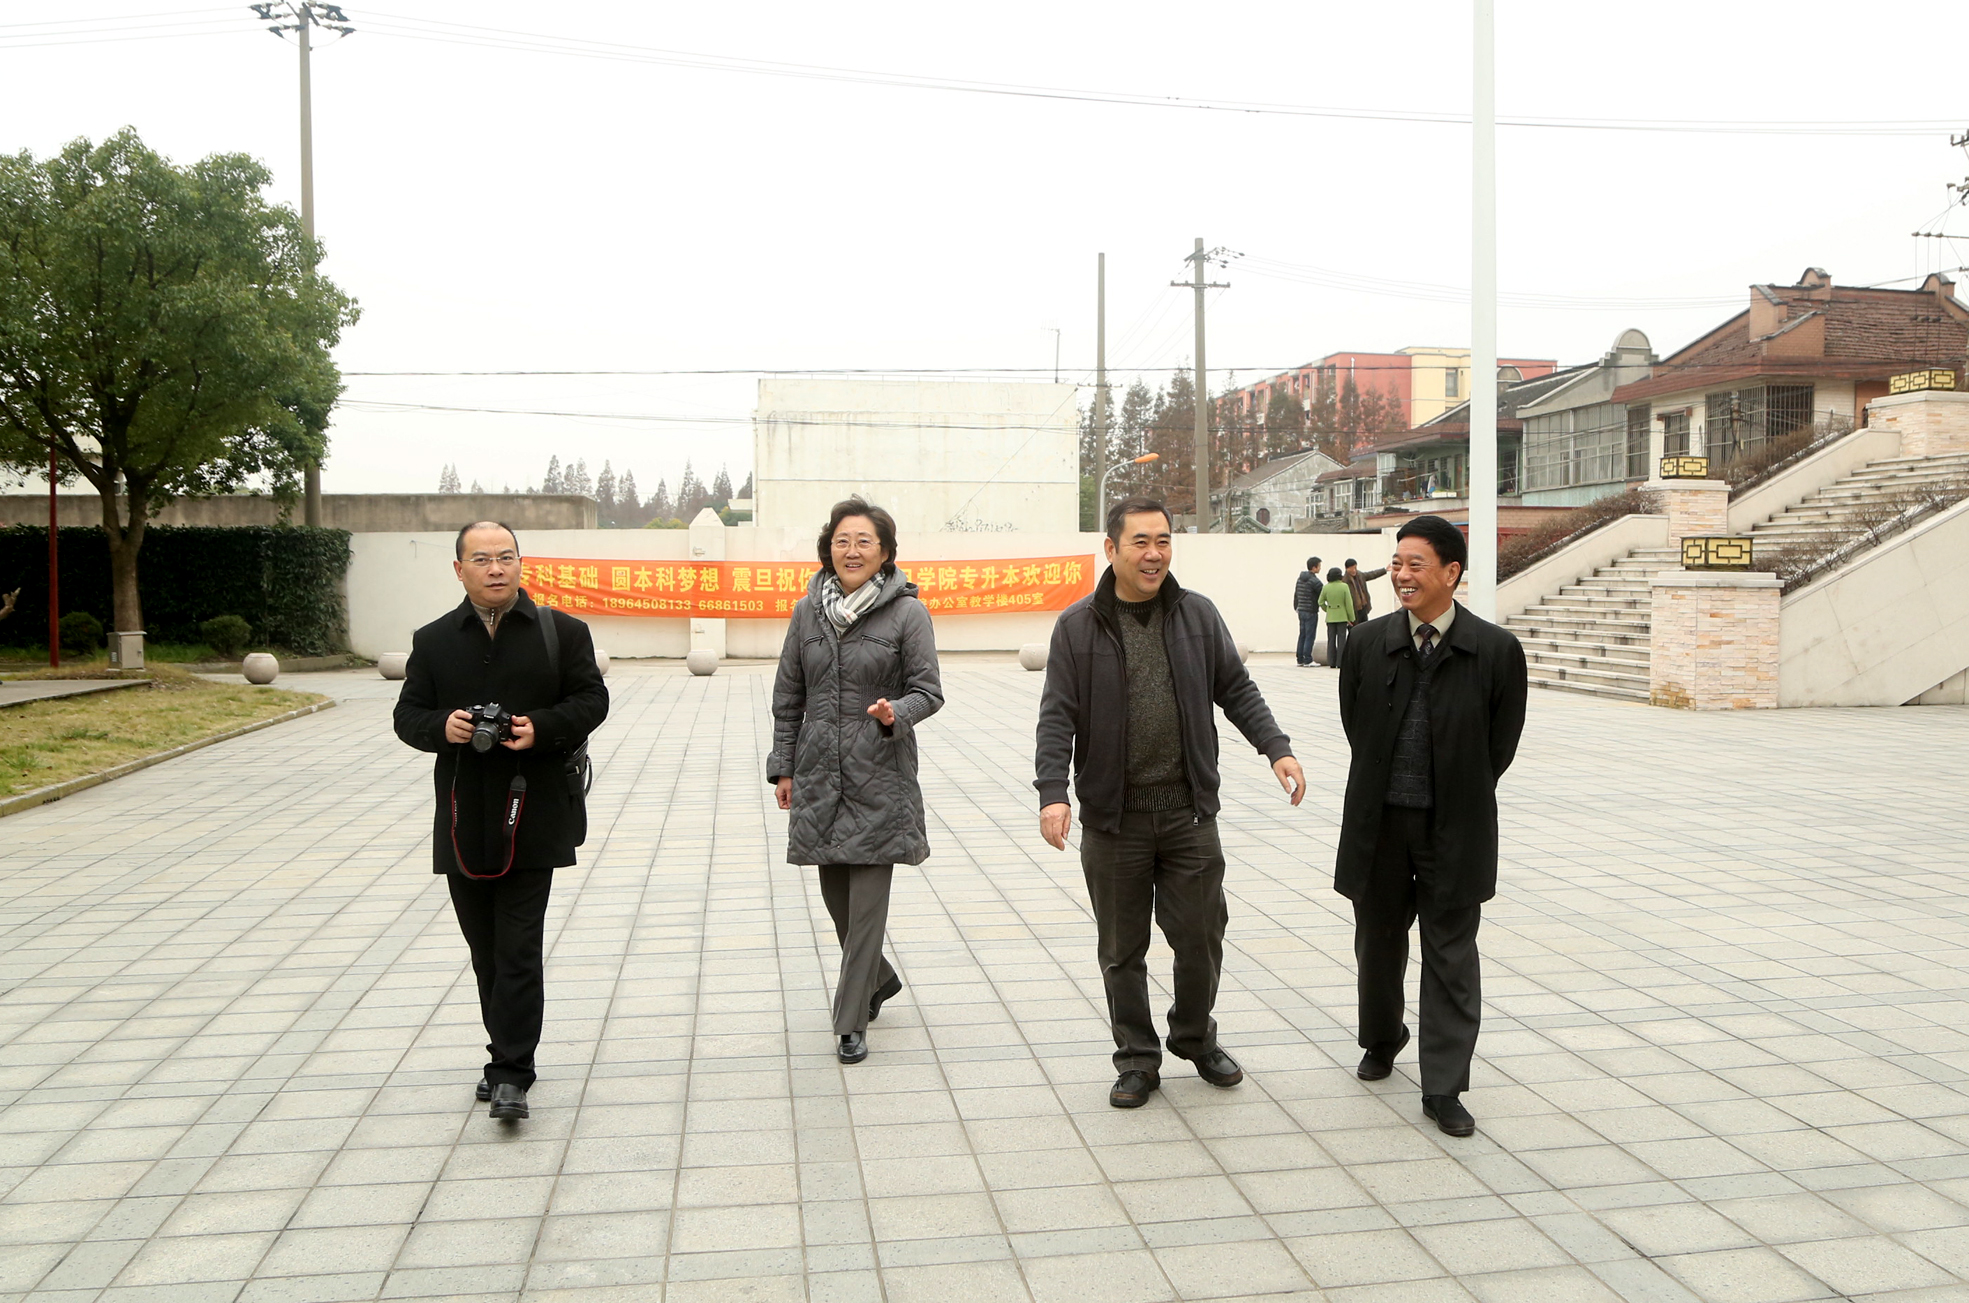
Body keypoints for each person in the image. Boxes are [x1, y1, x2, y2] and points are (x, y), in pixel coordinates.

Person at [1036, 497, 1306, 1109]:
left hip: (1189, 814)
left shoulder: (1197, 615)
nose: (1154, 553)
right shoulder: (1077, 627)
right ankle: (1136, 1057)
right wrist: (1053, 793)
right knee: (1121, 949)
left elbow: (1236, 688)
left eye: (1162, 541)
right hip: (1114, 822)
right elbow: (1057, 717)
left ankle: (1193, 1036)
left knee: (1202, 935)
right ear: (1111, 549)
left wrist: (1276, 748)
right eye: (1140, 542)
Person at [393, 522, 609, 1121]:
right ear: (459, 568)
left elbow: (592, 700)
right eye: (482, 559)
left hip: (533, 813)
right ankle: (505, 1052)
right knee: (484, 950)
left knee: (517, 947)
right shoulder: (434, 640)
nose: (496, 568)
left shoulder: (562, 632)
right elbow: (407, 716)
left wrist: (542, 727)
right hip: (463, 817)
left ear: (520, 564)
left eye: (506, 557)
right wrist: (443, 728)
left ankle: (512, 1072)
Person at [1334, 515, 1527, 1139]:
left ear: (1451, 573)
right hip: (1380, 823)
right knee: (1378, 942)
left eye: (1415, 564)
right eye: (1396, 564)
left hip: (1456, 827)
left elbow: (1500, 745)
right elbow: (1356, 726)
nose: (1401, 575)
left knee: (1451, 954)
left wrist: (1454, 785)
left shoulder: (1495, 650)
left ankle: (1444, 1085)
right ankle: (1382, 1038)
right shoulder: (1366, 643)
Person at [770, 498, 943, 1066]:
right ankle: (879, 977)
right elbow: (789, 696)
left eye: (864, 541)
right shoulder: (806, 614)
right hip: (819, 772)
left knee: (867, 906)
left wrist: (896, 712)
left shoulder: (907, 614)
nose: (852, 551)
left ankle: (849, 1022)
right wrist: (784, 766)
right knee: (837, 899)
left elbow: (928, 691)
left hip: (880, 772)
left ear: (885, 552)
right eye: (842, 541)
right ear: (829, 550)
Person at [1319, 566, 1355, 668]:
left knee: (1331, 640)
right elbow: (1349, 604)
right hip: (1342, 617)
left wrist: (1328, 609)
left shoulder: (1326, 587)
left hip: (1330, 617)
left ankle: (1331, 662)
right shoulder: (1344, 586)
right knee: (1341, 640)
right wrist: (1351, 618)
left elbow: (1320, 602)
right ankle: (1340, 662)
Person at [1292, 557, 1323, 667]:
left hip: (1301, 610)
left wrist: (1296, 607)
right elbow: (1323, 595)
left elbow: (1296, 594)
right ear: (1314, 567)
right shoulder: (1315, 581)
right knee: (1310, 635)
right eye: (1319, 566)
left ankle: (1300, 659)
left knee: (1302, 635)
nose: (1320, 568)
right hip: (1311, 611)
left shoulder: (1300, 579)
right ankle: (1308, 659)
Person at [1343, 558, 1387, 626]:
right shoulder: (1344, 581)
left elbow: (1372, 574)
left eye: (1355, 568)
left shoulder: (1360, 575)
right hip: (1354, 611)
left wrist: (1384, 570)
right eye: (1352, 569)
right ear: (1347, 569)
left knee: (1365, 627)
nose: (1354, 570)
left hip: (1363, 607)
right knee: (1355, 629)